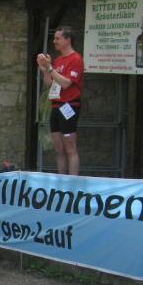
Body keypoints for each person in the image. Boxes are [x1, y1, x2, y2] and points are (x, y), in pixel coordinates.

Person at [36, 26, 84, 175]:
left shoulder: (76, 59)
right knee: (59, 149)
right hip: (56, 106)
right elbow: (50, 84)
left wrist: (50, 68)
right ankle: (61, 180)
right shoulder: (58, 60)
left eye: (58, 38)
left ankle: (72, 181)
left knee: (70, 148)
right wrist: (45, 70)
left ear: (67, 40)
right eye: (54, 38)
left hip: (69, 106)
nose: (54, 41)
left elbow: (66, 83)